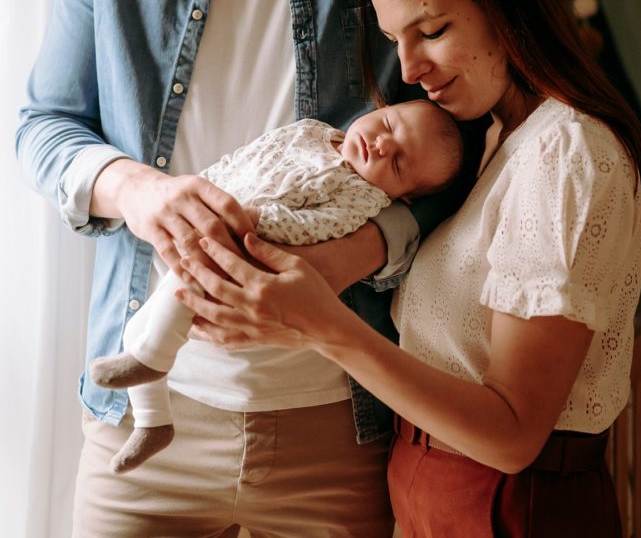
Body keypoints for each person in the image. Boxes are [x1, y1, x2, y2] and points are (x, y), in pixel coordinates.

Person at [16, 0, 473, 538]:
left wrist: (361, 252)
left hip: (341, 421)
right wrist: (137, 191)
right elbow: (44, 126)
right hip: (145, 423)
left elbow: (462, 154)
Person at [174, 0, 641, 538]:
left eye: (433, 31)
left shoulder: (567, 151)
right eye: (394, 41)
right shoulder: (494, 139)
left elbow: (513, 436)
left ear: (505, 4)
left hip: (505, 501)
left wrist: (322, 323)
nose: (410, 70)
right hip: (430, 485)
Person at [90, 100, 464, 474]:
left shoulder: (363, 196)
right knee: (138, 329)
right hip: (218, 211)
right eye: (388, 124)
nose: (382, 145)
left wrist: (252, 219)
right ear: (379, 108)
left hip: (250, 242)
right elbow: (254, 154)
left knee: (184, 286)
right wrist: (208, 184)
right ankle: (153, 422)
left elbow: (313, 227)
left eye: (397, 163)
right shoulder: (312, 131)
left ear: (403, 196)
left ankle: (152, 362)